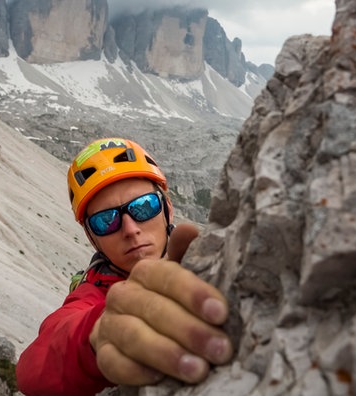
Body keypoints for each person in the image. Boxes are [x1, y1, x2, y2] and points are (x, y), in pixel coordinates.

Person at [15, 138, 233, 395]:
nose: (130, 229)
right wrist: (98, 334)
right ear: (91, 238)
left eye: (143, 207)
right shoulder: (94, 292)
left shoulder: (215, 255)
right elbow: (36, 366)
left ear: (168, 209)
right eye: (105, 221)